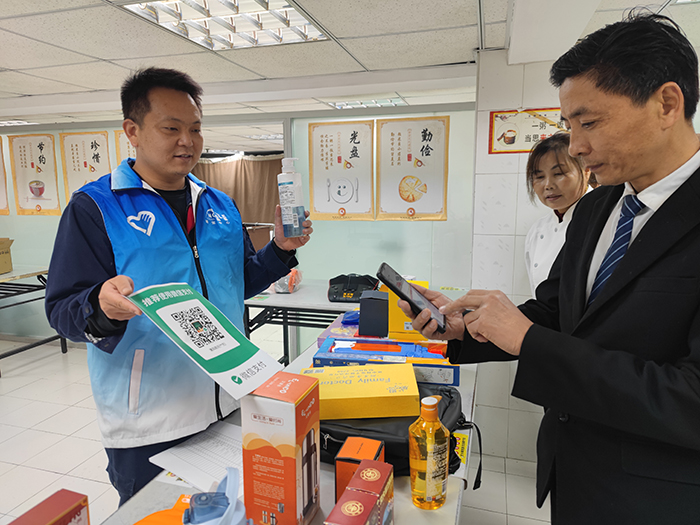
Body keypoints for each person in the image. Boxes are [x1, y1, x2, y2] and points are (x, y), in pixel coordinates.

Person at [399, 13, 700, 524]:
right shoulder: (598, 208)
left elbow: (690, 399)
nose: (577, 146)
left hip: (657, 498)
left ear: (666, 104)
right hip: (573, 472)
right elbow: (557, 313)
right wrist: (466, 328)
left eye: (590, 122)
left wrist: (529, 341)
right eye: (569, 126)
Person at [45, 68, 313, 505]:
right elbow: (62, 311)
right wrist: (100, 306)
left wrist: (280, 250)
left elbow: (238, 282)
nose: (187, 141)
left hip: (230, 398)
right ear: (132, 131)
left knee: (232, 509)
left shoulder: (219, 204)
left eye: (195, 129)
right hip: (150, 419)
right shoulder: (95, 208)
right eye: (171, 128)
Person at [524, 133, 591, 296]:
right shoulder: (538, 230)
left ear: (586, 171)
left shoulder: (605, 220)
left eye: (559, 173)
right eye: (539, 176)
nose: (548, 185)